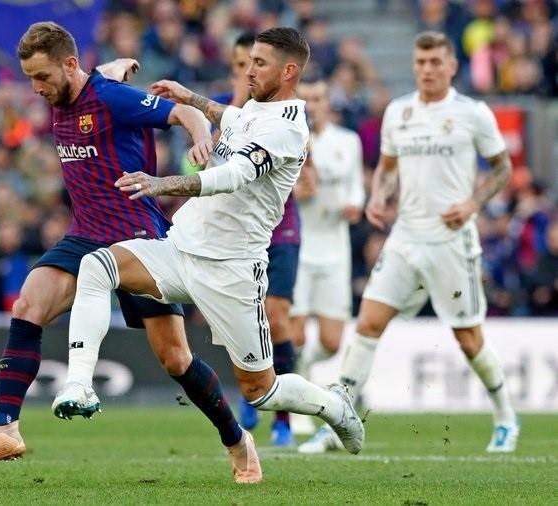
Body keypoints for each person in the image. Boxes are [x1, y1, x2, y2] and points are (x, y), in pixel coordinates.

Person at [51, 27, 364, 484]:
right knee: (97, 266)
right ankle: (80, 383)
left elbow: (232, 176)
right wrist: (189, 97)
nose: (249, 69)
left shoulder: (288, 128)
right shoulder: (258, 110)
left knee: (262, 390)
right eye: (249, 60)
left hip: (232, 269)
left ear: (290, 71)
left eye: (260, 63)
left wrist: (163, 184)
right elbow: (230, 118)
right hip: (181, 248)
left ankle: (335, 406)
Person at [0, 22, 249, 474]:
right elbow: (96, 73)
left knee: (176, 359)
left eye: (42, 76)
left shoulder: (110, 98)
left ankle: (238, 441)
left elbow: (182, 113)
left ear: (68, 65)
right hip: (85, 235)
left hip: (137, 238)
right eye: (29, 77)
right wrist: (119, 65)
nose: (36, 87)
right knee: (28, 304)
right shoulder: (74, 87)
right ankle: (5, 428)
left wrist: (202, 135)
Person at [299, 31, 519, 454]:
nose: (427, 70)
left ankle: (506, 417)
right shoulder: (398, 112)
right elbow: (385, 169)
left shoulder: (473, 113)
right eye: (421, 63)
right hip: (405, 237)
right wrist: (380, 197)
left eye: (436, 62)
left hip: (452, 241)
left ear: (452, 66)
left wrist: (473, 203)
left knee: (469, 340)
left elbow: (503, 168)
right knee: (367, 325)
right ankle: (338, 423)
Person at [216, 32, 304, 447]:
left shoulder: (283, 118)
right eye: (240, 64)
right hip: (231, 231)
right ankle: (254, 385)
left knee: (276, 314)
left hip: (278, 226)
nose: (246, 71)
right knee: (237, 321)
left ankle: (283, 418)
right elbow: (204, 162)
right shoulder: (229, 111)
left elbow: (302, 165)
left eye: (253, 64)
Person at [288, 79, 365, 436]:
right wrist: (298, 191)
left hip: (335, 250)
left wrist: (355, 206)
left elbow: (356, 190)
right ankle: (299, 403)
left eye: (319, 98)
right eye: (308, 100)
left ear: (327, 102)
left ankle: (304, 372)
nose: (313, 105)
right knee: (297, 333)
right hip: (300, 248)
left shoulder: (347, 142)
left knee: (332, 342)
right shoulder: (289, 141)